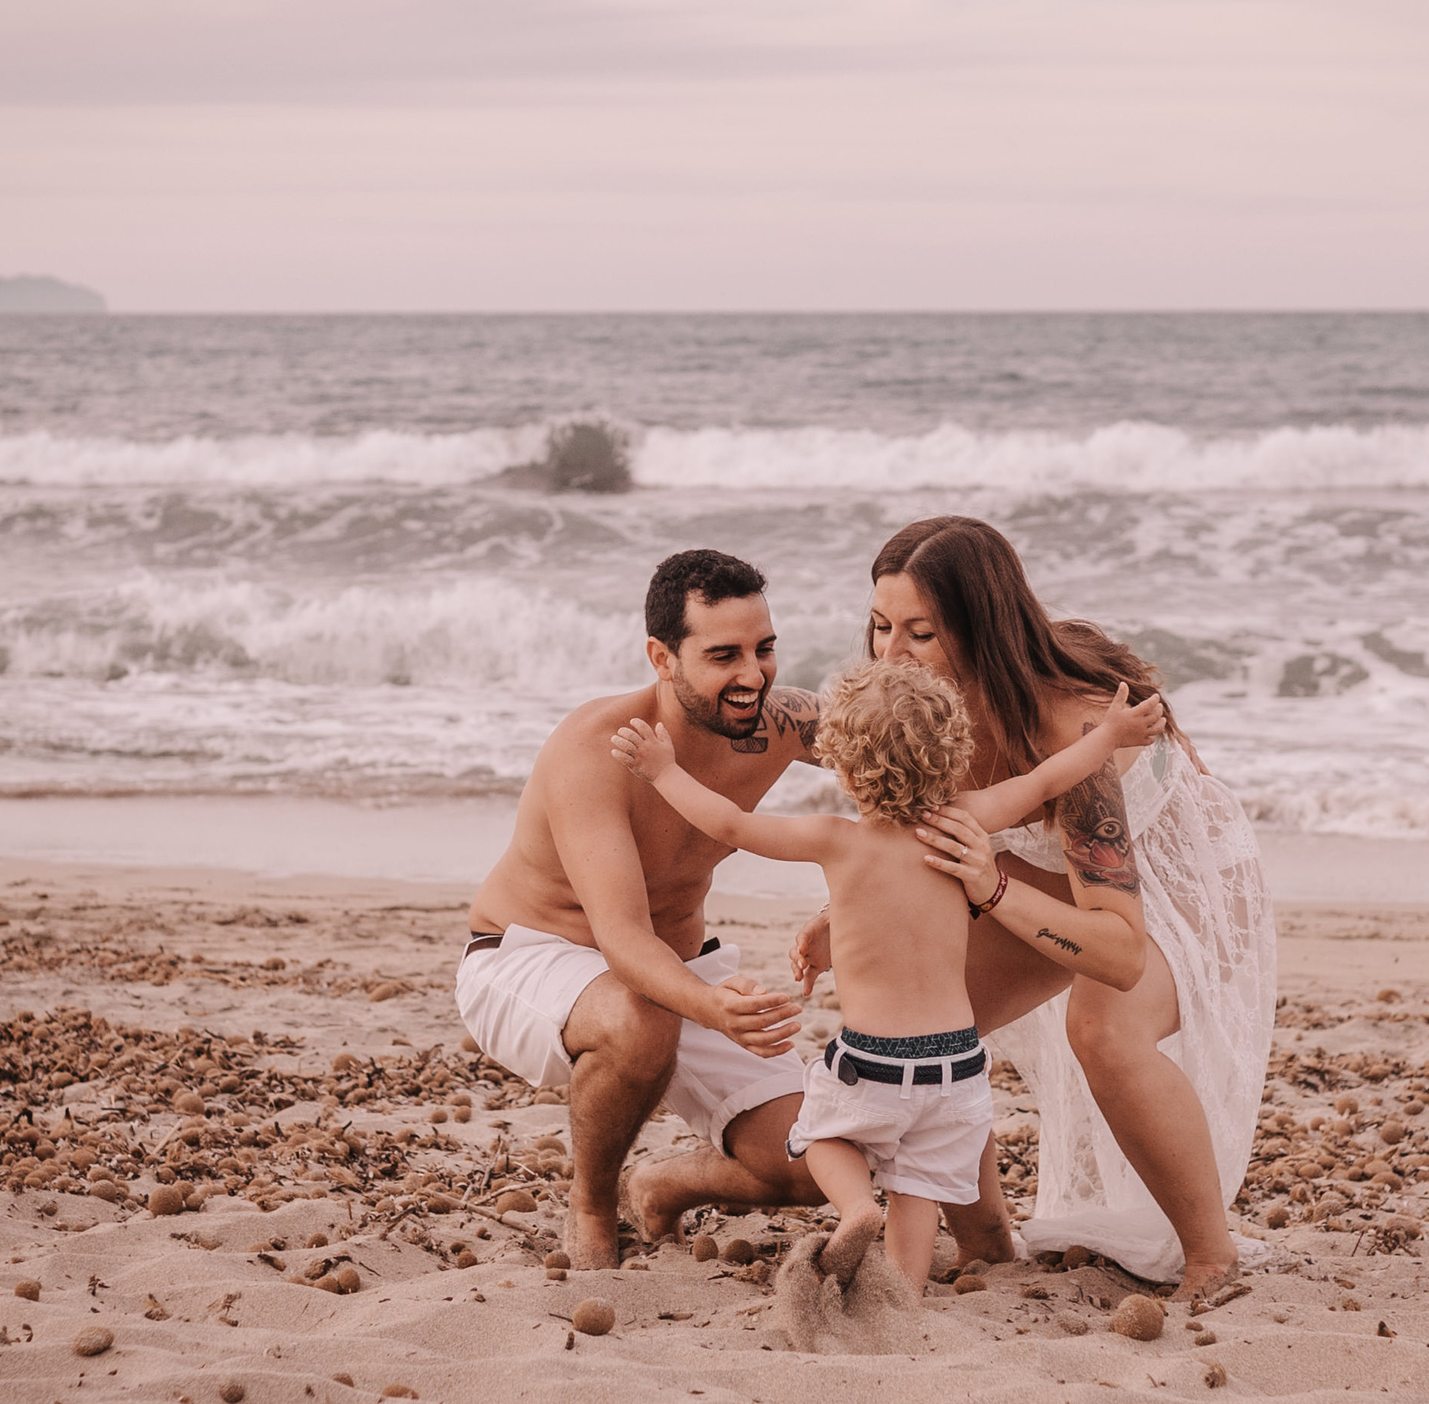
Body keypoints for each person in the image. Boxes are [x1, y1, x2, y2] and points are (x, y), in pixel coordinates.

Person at [794, 516, 1277, 1296]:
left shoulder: (1070, 728)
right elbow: (910, 837)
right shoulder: (927, 713)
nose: (891, 654)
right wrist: (835, 919)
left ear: (982, 632)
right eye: (881, 626)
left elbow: (1120, 953)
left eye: (922, 632)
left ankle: (1210, 1255)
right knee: (935, 1013)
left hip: (1182, 875)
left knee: (1103, 1027)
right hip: (1036, 863)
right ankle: (986, 1239)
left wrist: (995, 890)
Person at [611, 657, 1165, 1290]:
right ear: (954, 752)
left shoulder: (835, 840)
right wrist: (1111, 735)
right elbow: (1045, 781)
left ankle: (853, 1209)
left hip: (871, 1060)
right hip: (957, 1068)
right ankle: (901, 1294)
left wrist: (663, 769)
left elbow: (729, 823)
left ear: (843, 764)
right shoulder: (964, 819)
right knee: (919, 1187)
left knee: (820, 1138)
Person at [457, 548, 836, 1269]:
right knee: (642, 1018)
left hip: (682, 967)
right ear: (662, 657)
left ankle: (662, 1182)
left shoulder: (781, 723)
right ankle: (592, 1206)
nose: (753, 676)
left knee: (816, 1159)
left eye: (765, 649)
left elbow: (909, 755)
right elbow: (624, 937)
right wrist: (712, 1006)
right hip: (531, 955)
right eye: (723, 655)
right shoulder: (599, 749)